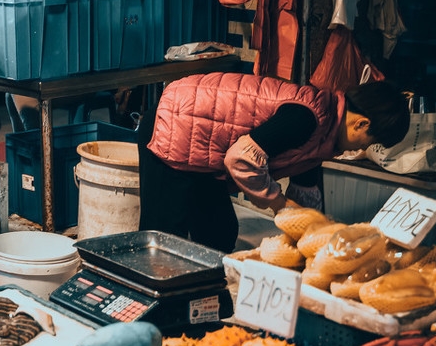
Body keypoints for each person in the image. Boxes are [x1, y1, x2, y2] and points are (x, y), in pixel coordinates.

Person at [138, 73, 410, 253]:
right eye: (366, 142)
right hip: (175, 122)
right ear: (362, 123)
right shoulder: (307, 119)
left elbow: (306, 190)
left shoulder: (326, 132)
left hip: (206, 147)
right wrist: (278, 203)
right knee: (162, 237)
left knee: (218, 233)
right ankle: (150, 317)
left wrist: (316, 232)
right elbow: (241, 159)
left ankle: (199, 305)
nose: (361, 148)